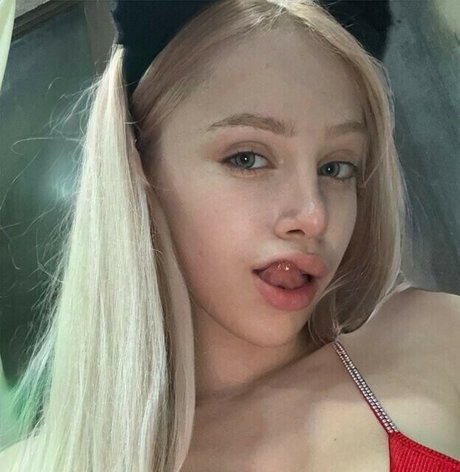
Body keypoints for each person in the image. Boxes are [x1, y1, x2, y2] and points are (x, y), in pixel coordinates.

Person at [0, 0, 459, 470]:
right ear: (139, 162)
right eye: (247, 158)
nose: (313, 215)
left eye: (336, 167)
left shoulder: (441, 341)